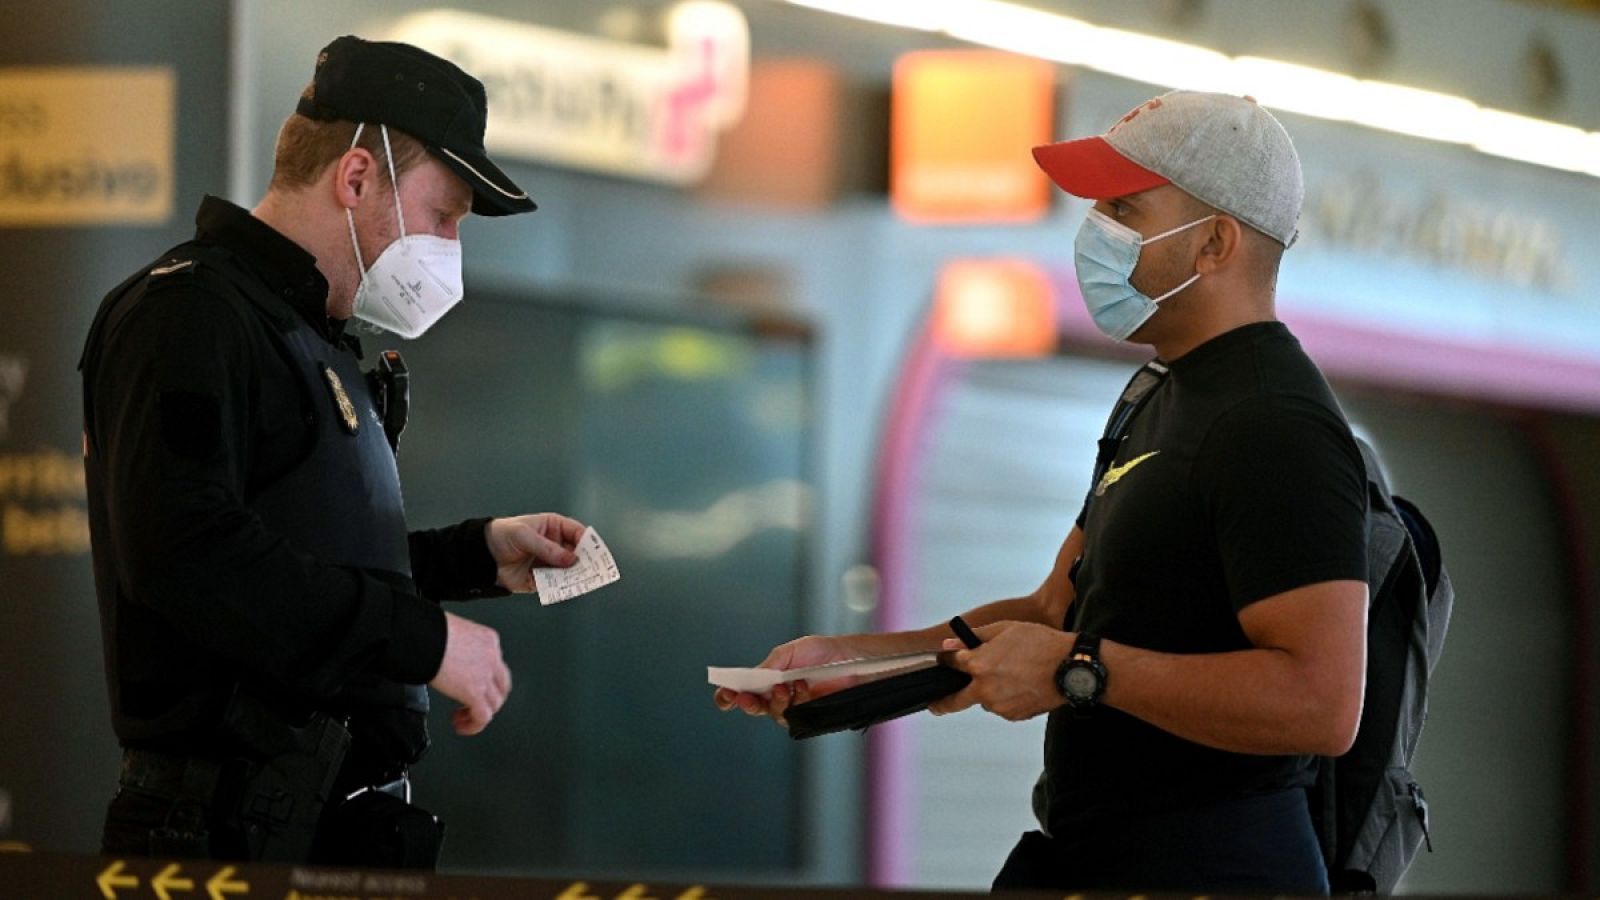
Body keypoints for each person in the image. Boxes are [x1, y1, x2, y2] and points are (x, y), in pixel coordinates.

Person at [715, 91, 1369, 895]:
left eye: (1124, 207)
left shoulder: (1275, 421)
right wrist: (859, 664)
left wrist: (1081, 671)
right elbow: (1053, 614)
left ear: (1214, 242)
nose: (1094, 231)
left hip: (1218, 864)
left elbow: (1321, 702)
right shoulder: (1156, 396)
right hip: (1097, 854)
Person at [80, 36, 585, 869]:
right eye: (443, 217)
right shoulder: (191, 315)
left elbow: (301, 565)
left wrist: (474, 555)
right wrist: (424, 641)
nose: (451, 247)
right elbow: (188, 555)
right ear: (355, 177)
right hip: (216, 841)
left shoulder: (309, 338)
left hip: (326, 834)